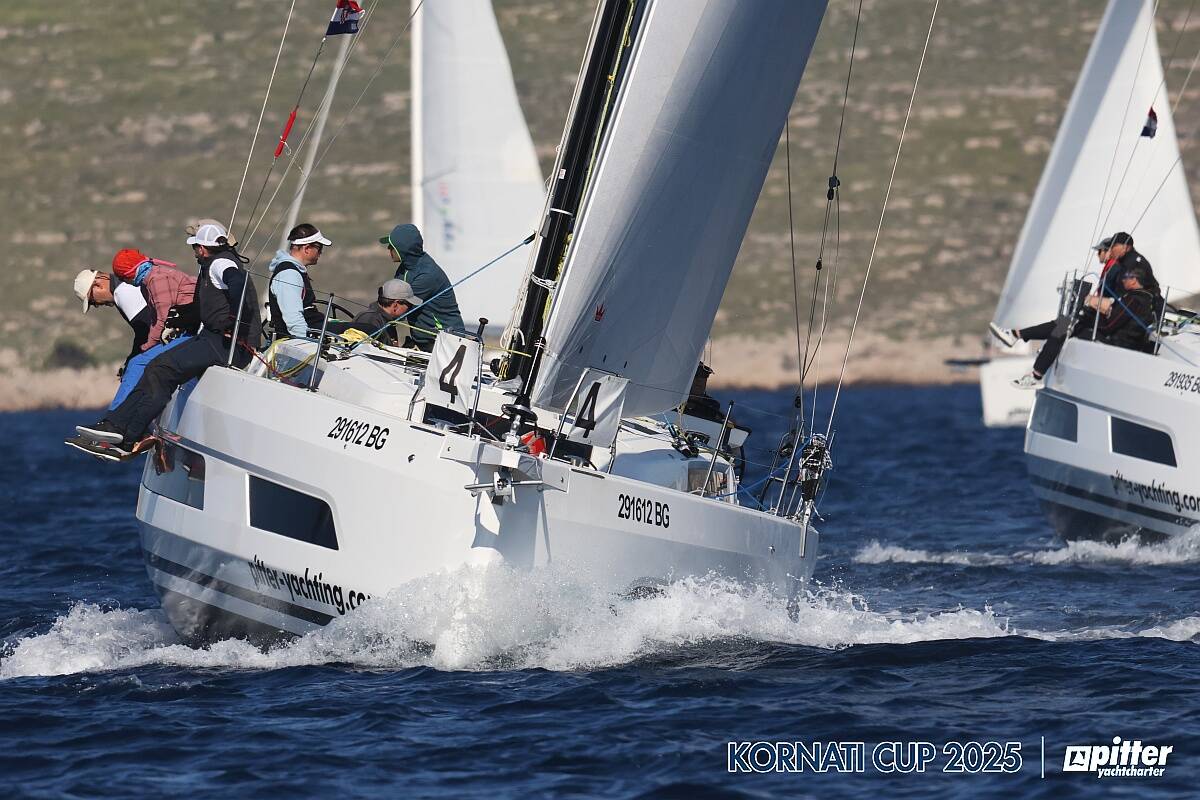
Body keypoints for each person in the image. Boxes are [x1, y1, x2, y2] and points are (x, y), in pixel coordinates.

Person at [74, 222, 261, 456]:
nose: (194, 253)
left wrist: (233, 319)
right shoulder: (214, 263)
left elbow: (237, 282)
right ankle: (119, 428)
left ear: (202, 248)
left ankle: (126, 432)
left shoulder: (220, 264)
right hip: (212, 338)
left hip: (227, 343)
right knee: (156, 367)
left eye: (196, 248)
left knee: (161, 370)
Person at [380, 223, 465, 350]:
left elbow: (397, 310)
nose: (388, 249)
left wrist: (372, 319)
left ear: (402, 249)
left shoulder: (427, 275)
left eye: (392, 246)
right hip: (423, 341)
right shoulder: (404, 270)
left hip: (445, 342)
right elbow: (390, 303)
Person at [268, 223, 334, 339]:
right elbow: (293, 319)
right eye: (319, 248)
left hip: (314, 325)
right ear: (307, 249)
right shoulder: (289, 274)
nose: (320, 253)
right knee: (367, 329)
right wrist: (308, 341)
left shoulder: (295, 270)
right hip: (305, 333)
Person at [1096, 266, 1156, 351]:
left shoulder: (1132, 299)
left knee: (1084, 332)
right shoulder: (1148, 299)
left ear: (1134, 280)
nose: (1123, 280)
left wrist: (1097, 319)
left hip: (1119, 343)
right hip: (1133, 345)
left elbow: (1110, 325)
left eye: (1125, 277)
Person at [347, 279, 421, 347]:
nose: (410, 309)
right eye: (409, 305)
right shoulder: (369, 320)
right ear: (395, 305)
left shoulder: (388, 321)